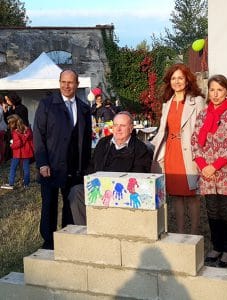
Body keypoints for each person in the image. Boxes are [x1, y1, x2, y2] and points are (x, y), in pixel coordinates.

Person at [191, 74, 227, 267]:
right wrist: (203, 165)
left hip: (226, 171)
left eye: (219, 90)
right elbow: (195, 141)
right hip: (206, 171)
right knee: (212, 210)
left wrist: (214, 166)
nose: (215, 94)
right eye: (212, 90)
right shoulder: (203, 114)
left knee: (225, 210)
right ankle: (216, 246)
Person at [33, 69, 92, 250]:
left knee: (71, 204)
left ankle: (68, 238)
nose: (67, 86)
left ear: (77, 84)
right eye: (63, 82)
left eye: (71, 82)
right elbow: (38, 135)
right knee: (49, 204)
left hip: (74, 167)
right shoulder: (47, 104)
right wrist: (42, 163)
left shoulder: (84, 108)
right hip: (50, 165)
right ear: (59, 83)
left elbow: (87, 139)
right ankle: (49, 242)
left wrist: (86, 168)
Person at [69, 111, 152, 225]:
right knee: (76, 191)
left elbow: (139, 176)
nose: (118, 129)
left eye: (122, 126)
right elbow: (92, 167)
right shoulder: (103, 143)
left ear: (131, 128)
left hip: (122, 193)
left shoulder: (140, 148)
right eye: (115, 125)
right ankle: (86, 231)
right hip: (99, 189)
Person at [151, 63, 205, 235]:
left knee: (192, 196)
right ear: (169, 82)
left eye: (180, 78)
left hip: (189, 153)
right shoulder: (167, 103)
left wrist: (201, 157)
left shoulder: (196, 101)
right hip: (171, 152)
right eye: (174, 78)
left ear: (187, 80)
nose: (177, 81)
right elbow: (162, 131)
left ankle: (194, 234)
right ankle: (181, 233)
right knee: (177, 196)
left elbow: (202, 130)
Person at [0, 114, 34, 189]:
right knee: (26, 168)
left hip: (18, 153)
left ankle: (11, 183)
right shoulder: (27, 129)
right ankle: (26, 184)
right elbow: (30, 138)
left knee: (13, 168)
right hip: (27, 152)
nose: (8, 125)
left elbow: (18, 143)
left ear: (13, 123)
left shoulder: (15, 132)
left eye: (9, 123)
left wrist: (12, 145)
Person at [0, 96, 7, 164]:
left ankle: (2, 159)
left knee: (2, 145)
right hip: (3, 129)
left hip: (1, 130)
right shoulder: (2, 107)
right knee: (2, 145)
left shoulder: (1, 107)